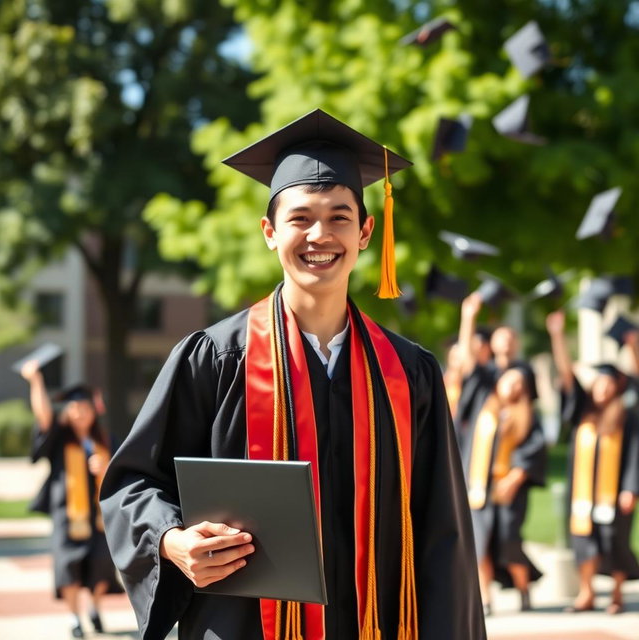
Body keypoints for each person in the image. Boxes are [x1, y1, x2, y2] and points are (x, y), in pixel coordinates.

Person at [99, 109, 486, 640]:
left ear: (367, 231)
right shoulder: (214, 358)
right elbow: (132, 484)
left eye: (339, 217)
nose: (319, 235)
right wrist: (171, 540)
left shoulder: (409, 374)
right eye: (300, 218)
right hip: (244, 627)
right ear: (269, 232)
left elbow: (444, 536)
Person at [456, 295, 546, 615]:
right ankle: (486, 599)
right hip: (477, 482)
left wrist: (518, 474)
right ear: (491, 344)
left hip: (509, 485)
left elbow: (535, 442)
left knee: (508, 541)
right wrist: (469, 316)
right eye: (500, 337)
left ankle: (523, 589)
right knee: (479, 542)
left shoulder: (525, 385)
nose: (511, 383)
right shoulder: (484, 383)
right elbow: (466, 361)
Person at [546, 310, 639, 614]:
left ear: (616, 386)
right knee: (584, 541)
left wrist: (631, 489)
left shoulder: (627, 416)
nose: (602, 388)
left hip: (615, 493)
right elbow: (566, 376)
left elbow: (636, 454)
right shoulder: (581, 412)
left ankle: (616, 594)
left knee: (614, 541)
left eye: (607, 384)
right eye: (598, 383)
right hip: (583, 493)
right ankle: (585, 593)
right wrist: (558, 337)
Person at [20, 360, 120, 639]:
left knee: (101, 566)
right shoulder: (60, 438)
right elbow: (43, 415)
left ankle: (95, 609)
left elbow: (122, 471)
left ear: (93, 412)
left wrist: (106, 466)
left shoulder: (106, 440)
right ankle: (76, 617)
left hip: (99, 516)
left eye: (85, 408)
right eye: (74, 408)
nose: (79, 413)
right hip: (67, 515)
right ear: (67, 411)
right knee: (69, 569)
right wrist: (36, 381)